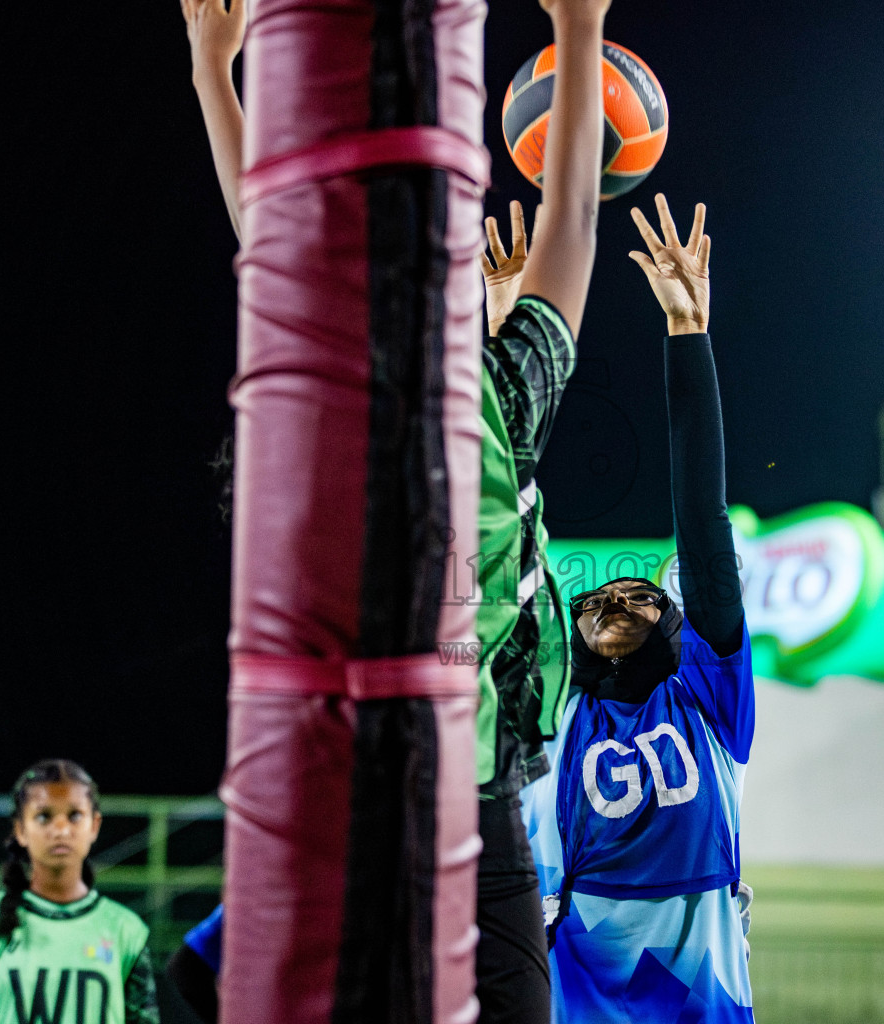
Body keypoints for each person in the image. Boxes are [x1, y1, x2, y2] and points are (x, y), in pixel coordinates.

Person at [174, 0, 611, 1020]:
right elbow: (573, 218)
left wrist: (212, 72)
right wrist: (580, 27)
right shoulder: (463, 392)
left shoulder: (441, 386)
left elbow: (276, 237)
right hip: (418, 799)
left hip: (424, 801)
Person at [520, 194, 756, 1023]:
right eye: (603, 597)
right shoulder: (555, 710)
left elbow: (701, 519)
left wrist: (687, 332)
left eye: (645, 596)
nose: (620, 595)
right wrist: (509, 344)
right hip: (577, 990)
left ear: (680, 632)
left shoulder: (709, 698)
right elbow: (502, 523)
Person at [0, 760, 159, 1024]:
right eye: (44, 816)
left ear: (94, 826)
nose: (61, 830)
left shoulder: (126, 932)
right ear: (20, 829)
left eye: (75, 815)